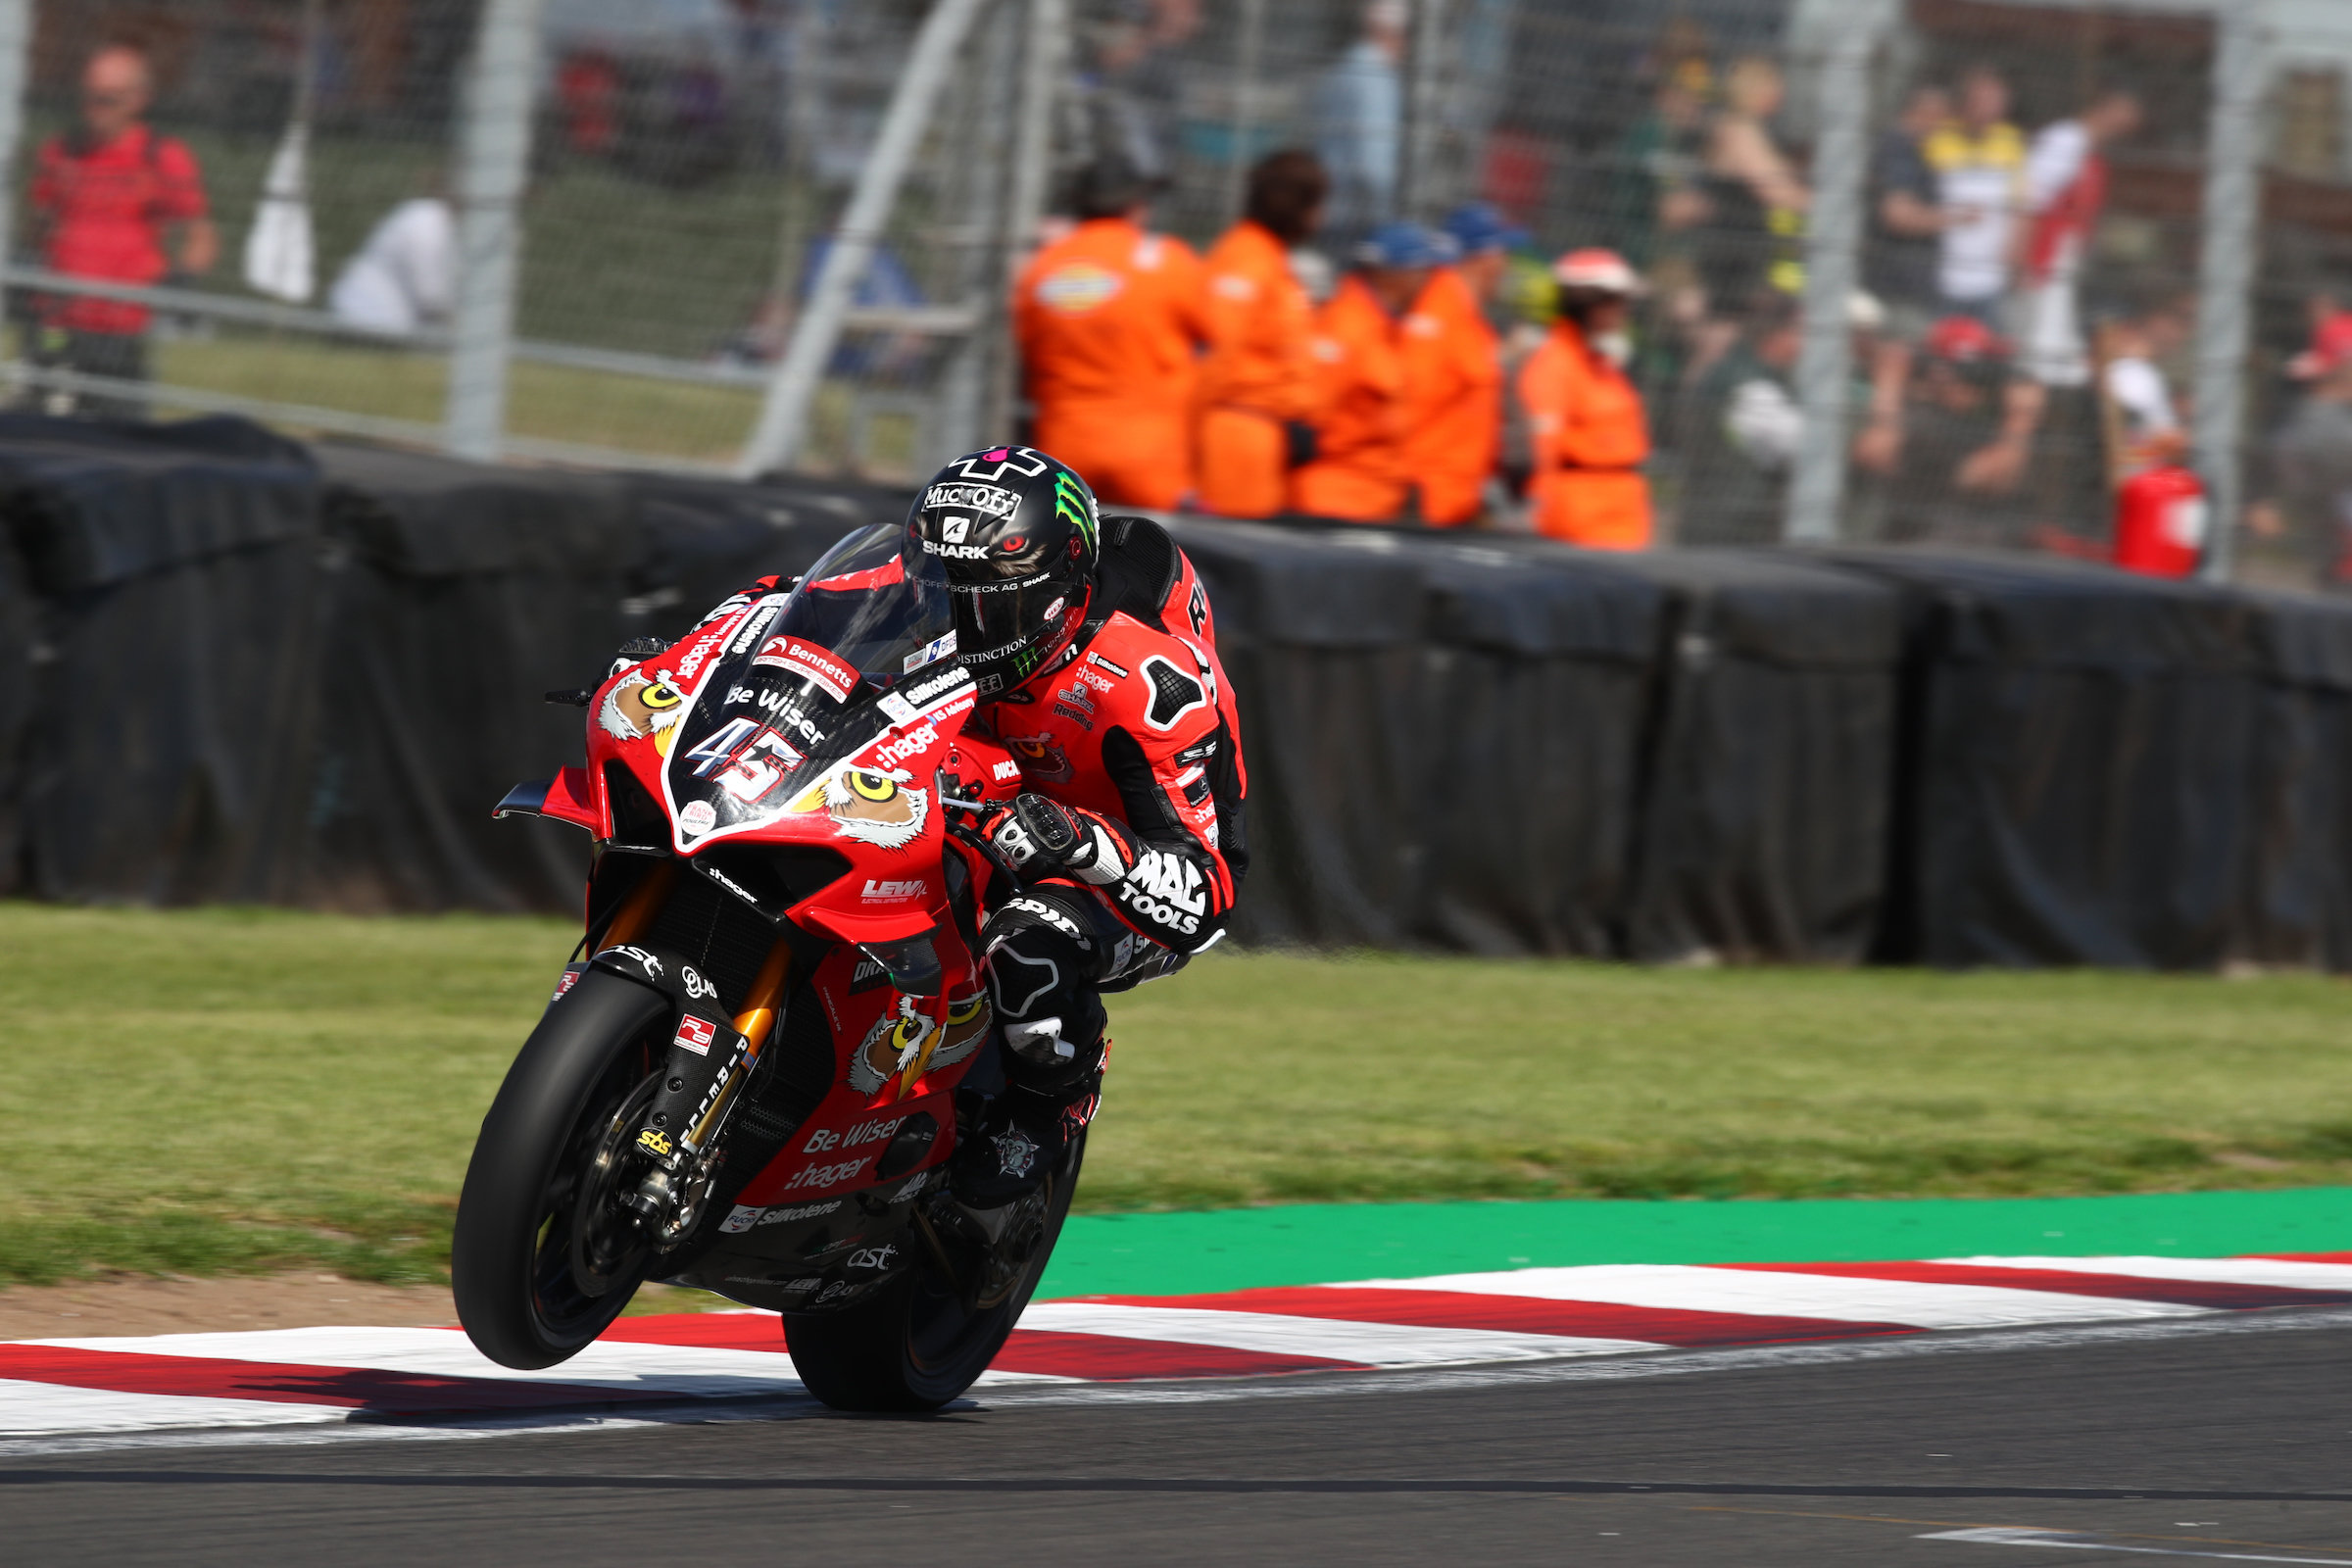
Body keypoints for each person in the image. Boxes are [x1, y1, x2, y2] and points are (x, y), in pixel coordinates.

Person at [935, 448, 1248, 1200]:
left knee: (1023, 947)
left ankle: (1053, 1102)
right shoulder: (932, 614)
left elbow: (1209, 896)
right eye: (948, 593)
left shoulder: (1144, 685)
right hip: (990, 800)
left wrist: (1080, 842)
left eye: (991, 602)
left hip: (1122, 866)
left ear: (1054, 594)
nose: (963, 625)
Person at [26, 41, 217, 418]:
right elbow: (38, 222)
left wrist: (182, 277)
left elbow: (200, 235)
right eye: (89, 98)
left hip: (121, 327)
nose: (95, 110)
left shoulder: (161, 156)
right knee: (40, 427)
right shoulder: (61, 152)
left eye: (108, 100)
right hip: (59, 319)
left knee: (122, 436)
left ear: (138, 100)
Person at [1011, 153, 1209, 511]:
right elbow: (1216, 334)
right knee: (1158, 561)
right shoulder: (1164, 260)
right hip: (1150, 457)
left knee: (1068, 558)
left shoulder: (1042, 267)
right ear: (1135, 207)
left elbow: (1026, 349)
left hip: (1064, 454)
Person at [1196, 150, 1329, 519]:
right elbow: (1215, 352)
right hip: (1236, 438)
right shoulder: (1246, 257)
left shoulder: (1267, 257)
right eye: (1316, 204)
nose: (1322, 218)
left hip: (1263, 439)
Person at [1293, 221, 1448, 522]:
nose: (1428, 281)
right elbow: (1307, 423)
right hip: (1336, 504)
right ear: (1396, 274)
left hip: (1367, 503)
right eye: (1422, 271)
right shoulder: (1348, 327)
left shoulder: (1383, 327)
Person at [1516, 248, 1653, 549]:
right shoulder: (1554, 364)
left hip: (1618, 518)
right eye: (1618, 301)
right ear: (1589, 304)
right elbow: (1543, 451)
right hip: (1581, 526)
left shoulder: (1600, 364)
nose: (1625, 311)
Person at [1396, 204, 1514, 526]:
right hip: (1426, 503)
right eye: (1504, 254)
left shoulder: (1470, 320)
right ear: (1485, 259)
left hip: (1459, 501)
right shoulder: (1437, 312)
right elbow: (1409, 405)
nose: (1507, 265)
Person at [2019, 88, 2141, 389]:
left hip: (2068, 252)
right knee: (2039, 324)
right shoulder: (2065, 140)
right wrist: (2024, 253)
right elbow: (2031, 198)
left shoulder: (2092, 153)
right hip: (2047, 247)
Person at [1692, 55, 1810, 319]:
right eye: (1773, 84)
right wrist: (1830, 207)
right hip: (1729, 252)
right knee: (1724, 334)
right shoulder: (1738, 128)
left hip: (1746, 249)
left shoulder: (1752, 128)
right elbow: (1776, 190)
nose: (1781, 92)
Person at [1923, 66, 2025, 324]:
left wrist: (2016, 255)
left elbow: (2022, 205)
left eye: (1996, 102)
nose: (1989, 110)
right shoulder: (1939, 137)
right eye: (1982, 101)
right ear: (1966, 102)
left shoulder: (2011, 142)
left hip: (1992, 276)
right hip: (1942, 273)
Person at [1312, 0, 1407, 248]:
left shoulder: (1343, 68)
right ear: (1391, 33)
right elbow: (1373, 161)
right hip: (1360, 214)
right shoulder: (1375, 75)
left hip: (1333, 205)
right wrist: (1386, 215)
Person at [328, 193, 456, 336]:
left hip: (391, 320)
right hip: (367, 316)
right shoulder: (424, 221)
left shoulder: (432, 217)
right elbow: (430, 295)